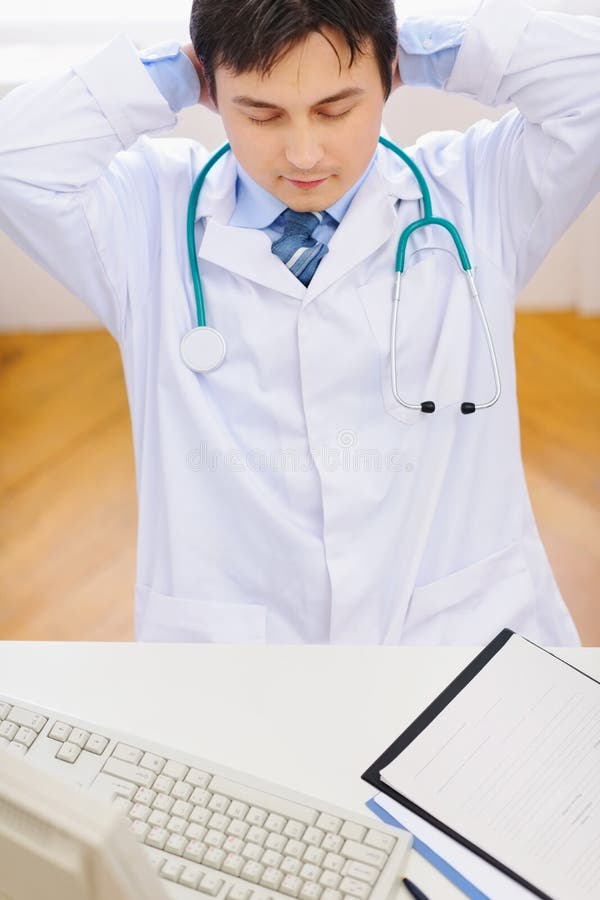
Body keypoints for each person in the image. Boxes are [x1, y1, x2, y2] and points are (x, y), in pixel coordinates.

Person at [0, 1, 597, 645]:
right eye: (261, 114)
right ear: (212, 90)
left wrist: (434, 49)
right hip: (239, 658)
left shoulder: (476, 192)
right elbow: (13, 158)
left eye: (336, 109)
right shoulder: (145, 215)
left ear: (390, 77)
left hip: (460, 630)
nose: (304, 152)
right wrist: (165, 76)